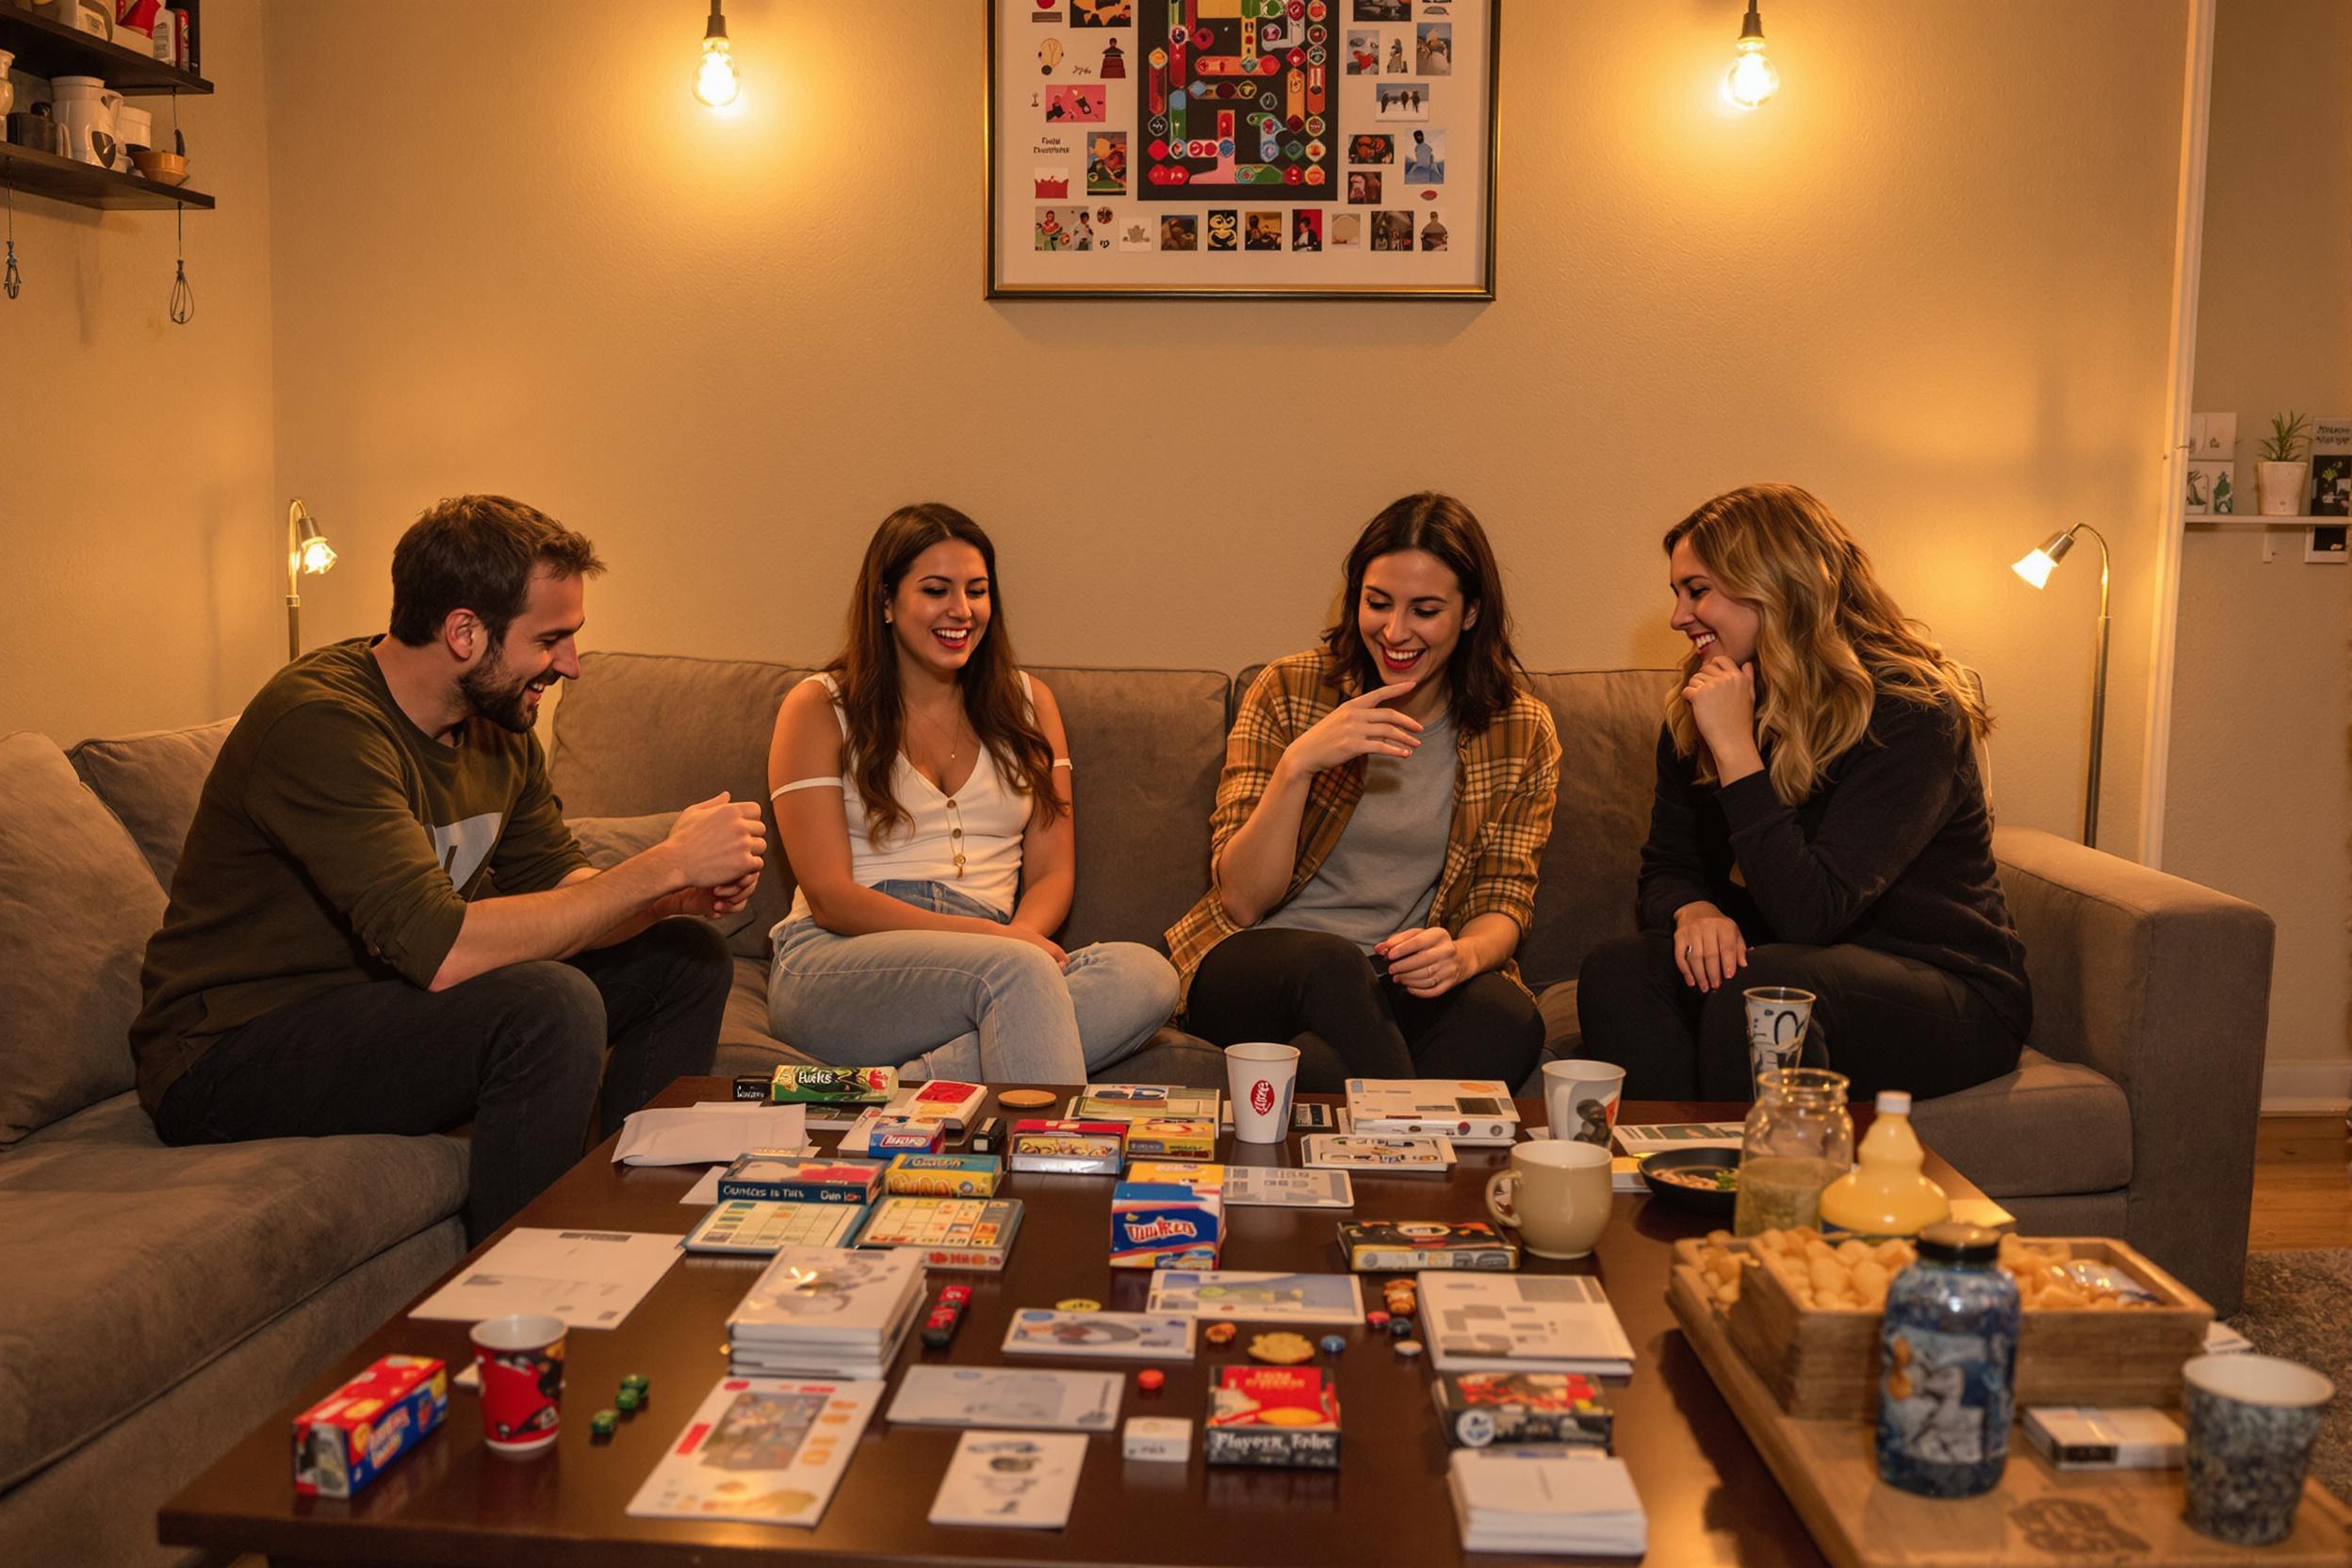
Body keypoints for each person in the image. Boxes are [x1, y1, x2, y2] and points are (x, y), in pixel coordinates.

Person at [135, 496, 760, 1243]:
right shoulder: (322, 724)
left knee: (683, 957)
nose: (570, 666)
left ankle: (640, 1229)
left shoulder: (494, 729)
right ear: (465, 632)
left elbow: (564, 895)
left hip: (378, 1010)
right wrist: (660, 863)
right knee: (547, 1005)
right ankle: (523, 1292)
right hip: (228, 1054)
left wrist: (668, 896)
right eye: (551, 640)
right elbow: (445, 950)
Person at [1575, 483, 2033, 1102]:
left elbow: (1812, 914)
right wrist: (1695, 910)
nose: (1679, 616)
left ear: (1774, 584)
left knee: (1767, 986)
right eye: (1677, 593)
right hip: (1794, 969)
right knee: (1620, 970)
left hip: (1945, 991)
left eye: (1698, 590)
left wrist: (1736, 751)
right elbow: (1668, 867)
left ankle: (1756, 1192)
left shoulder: (1912, 713)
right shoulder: (1705, 701)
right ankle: (1671, 1171)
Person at [765, 503, 1177, 1081]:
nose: (961, 611)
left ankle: (912, 1083)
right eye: (936, 590)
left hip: (997, 953)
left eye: (977, 591)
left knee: (1146, 975)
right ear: (885, 601)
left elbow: (1053, 873)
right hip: (841, 957)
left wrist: (1017, 942)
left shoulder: (1030, 704)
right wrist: (1003, 947)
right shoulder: (819, 706)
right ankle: (1045, 1166)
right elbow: (831, 898)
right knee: (1016, 976)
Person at [1168, 493, 1560, 1092]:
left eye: (1425, 610)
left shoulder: (1519, 729)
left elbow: (1503, 897)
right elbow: (1243, 899)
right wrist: (1300, 764)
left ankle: (1337, 1092)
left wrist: (1462, 956)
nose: (1394, 632)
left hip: (1392, 980)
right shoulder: (1289, 690)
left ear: (1471, 612)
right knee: (1333, 963)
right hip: (1259, 962)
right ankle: (1415, 1155)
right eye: (1377, 604)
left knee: (1506, 1018)